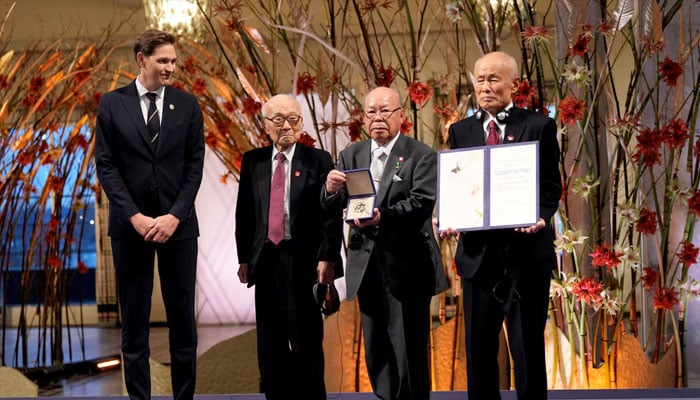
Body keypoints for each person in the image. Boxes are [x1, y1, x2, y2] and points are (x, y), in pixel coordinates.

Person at [441, 51, 562, 400]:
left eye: (494, 79)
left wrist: (540, 216)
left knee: (527, 352)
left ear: (513, 84)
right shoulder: (460, 131)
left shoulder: (538, 125)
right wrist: (448, 215)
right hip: (478, 260)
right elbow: (459, 184)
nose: (485, 87)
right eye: (480, 80)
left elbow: (551, 186)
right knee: (479, 353)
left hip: (525, 258)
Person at [95, 29, 204, 399]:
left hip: (179, 228)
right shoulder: (112, 104)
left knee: (183, 326)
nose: (171, 68)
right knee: (135, 328)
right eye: (163, 61)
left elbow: (194, 168)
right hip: (132, 230)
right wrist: (135, 217)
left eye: (173, 61)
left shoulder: (188, 106)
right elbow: (106, 166)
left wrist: (174, 215)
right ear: (141, 60)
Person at [323, 86, 448, 400]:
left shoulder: (420, 154)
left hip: (408, 265)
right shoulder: (350, 154)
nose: (378, 118)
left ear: (401, 115)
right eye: (371, 112)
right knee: (376, 349)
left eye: (385, 111)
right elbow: (336, 203)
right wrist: (329, 189)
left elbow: (421, 203)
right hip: (366, 267)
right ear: (364, 118)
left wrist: (382, 216)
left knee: (410, 351)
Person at [235, 94, 343, 400]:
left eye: (293, 119)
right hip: (266, 262)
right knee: (270, 348)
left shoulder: (318, 160)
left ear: (301, 123)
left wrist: (328, 257)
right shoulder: (253, 161)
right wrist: (244, 258)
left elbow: (330, 215)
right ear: (265, 124)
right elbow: (245, 214)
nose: (286, 126)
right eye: (279, 119)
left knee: (307, 344)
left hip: (304, 261)